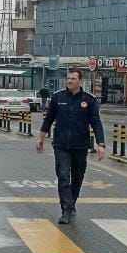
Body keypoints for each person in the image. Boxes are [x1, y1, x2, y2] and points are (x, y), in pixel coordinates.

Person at [35, 69, 106, 224]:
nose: (70, 81)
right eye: (68, 78)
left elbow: (96, 122)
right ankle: (66, 209)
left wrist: (101, 144)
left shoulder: (89, 100)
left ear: (80, 81)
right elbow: (49, 119)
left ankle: (71, 203)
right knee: (63, 176)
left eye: (73, 78)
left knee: (77, 178)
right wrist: (41, 137)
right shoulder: (58, 97)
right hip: (61, 144)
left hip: (80, 145)